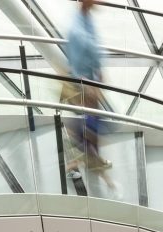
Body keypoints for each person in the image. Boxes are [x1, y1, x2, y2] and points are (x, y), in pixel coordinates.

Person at [61, 0, 114, 187]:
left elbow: (93, 52)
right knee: (88, 128)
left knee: (91, 126)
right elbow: (78, 62)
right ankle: (77, 164)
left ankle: (85, 162)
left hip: (90, 83)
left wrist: (98, 76)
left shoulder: (85, 18)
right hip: (84, 85)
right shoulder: (77, 29)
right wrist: (91, 86)